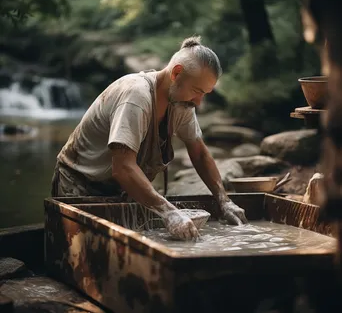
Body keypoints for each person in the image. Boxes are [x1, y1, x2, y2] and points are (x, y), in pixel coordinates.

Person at [51, 36, 247, 240]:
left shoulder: (181, 101)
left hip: (121, 190)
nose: (198, 101)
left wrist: (224, 201)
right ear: (176, 73)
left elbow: (199, 154)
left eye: (205, 94)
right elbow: (123, 168)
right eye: (197, 91)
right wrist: (170, 213)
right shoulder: (136, 96)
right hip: (80, 187)